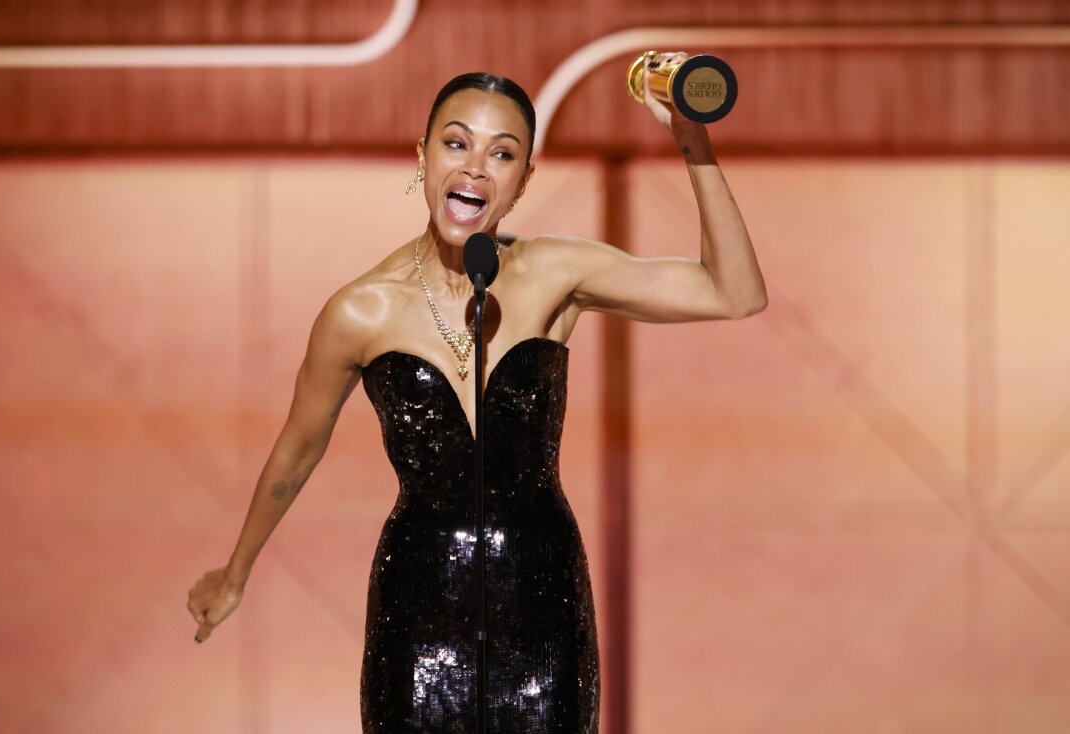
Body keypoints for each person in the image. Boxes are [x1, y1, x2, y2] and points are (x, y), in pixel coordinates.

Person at [187, 57, 766, 732]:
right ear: (423, 157)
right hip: (418, 610)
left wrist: (692, 141)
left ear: (522, 183)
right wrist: (235, 572)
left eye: (502, 154)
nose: (474, 169)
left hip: (542, 605)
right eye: (456, 143)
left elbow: (736, 293)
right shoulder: (359, 312)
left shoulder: (554, 273)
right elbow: (297, 451)